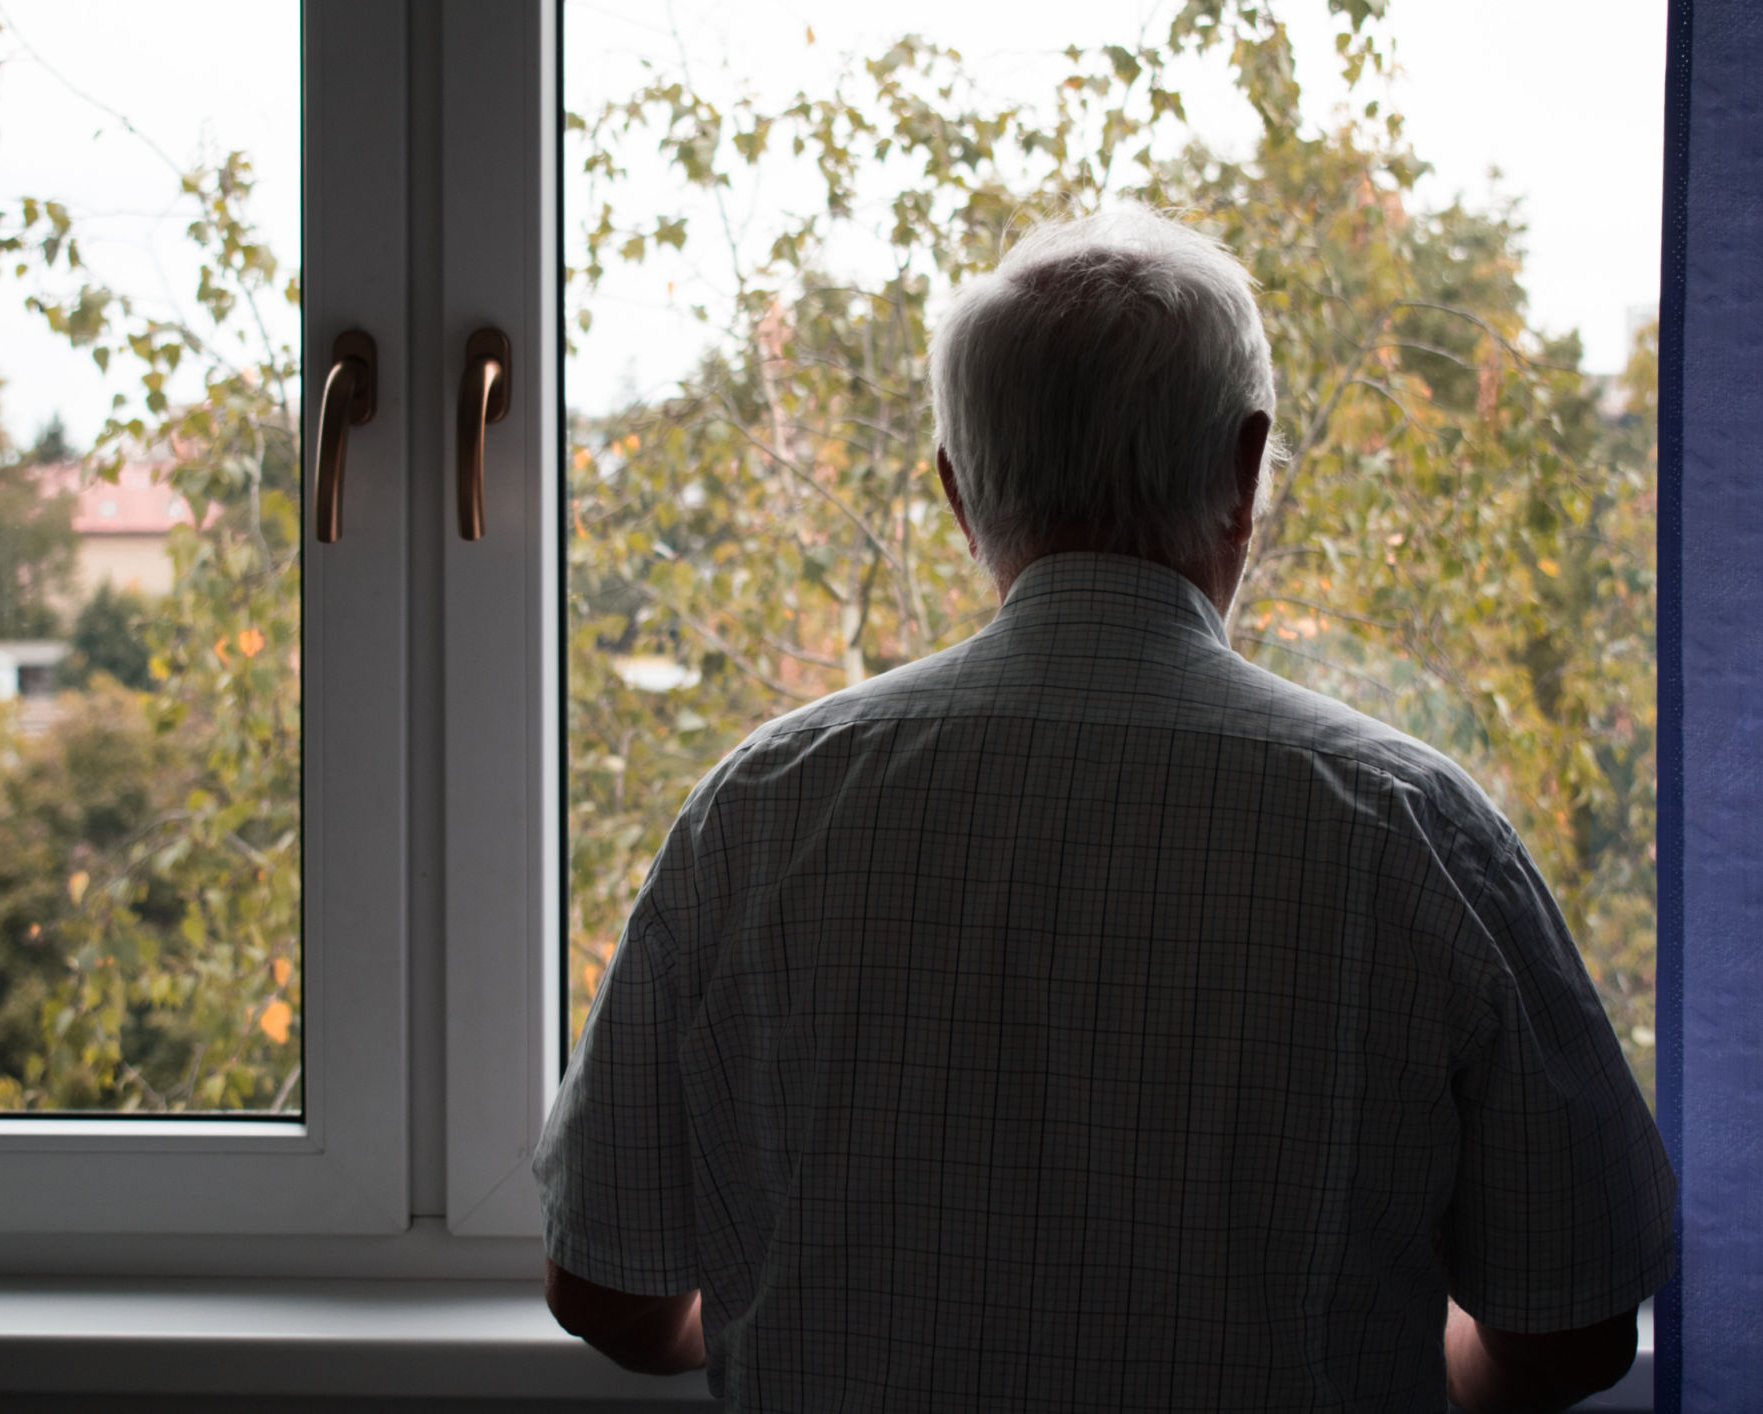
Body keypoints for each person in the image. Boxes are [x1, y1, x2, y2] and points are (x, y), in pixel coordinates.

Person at [533, 205, 1674, 1412]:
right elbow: (1571, 1329)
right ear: (1245, 469)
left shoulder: (756, 813)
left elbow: (608, 1291)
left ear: (958, 492)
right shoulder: (1417, 832)